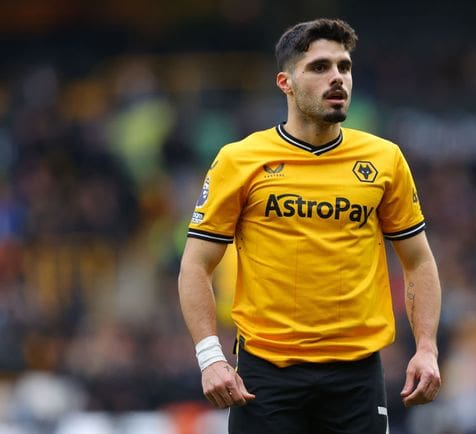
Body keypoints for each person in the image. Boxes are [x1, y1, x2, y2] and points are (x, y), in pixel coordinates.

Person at [178, 18, 442, 434]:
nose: (337, 78)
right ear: (285, 82)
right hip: (265, 375)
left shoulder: (385, 159)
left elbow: (419, 260)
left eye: (344, 67)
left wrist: (426, 348)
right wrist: (210, 356)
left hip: (356, 376)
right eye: (320, 67)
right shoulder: (240, 159)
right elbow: (195, 264)